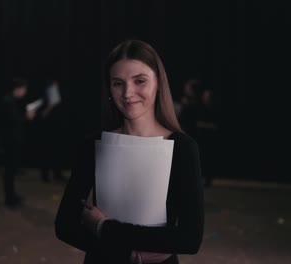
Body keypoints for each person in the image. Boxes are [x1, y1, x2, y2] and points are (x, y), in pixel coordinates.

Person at [55, 40, 204, 263]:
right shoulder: (94, 144)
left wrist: (104, 227)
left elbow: (189, 240)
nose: (127, 93)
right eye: (118, 83)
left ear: (159, 84)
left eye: (140, 81)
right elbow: (65, 225)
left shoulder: (183, 148)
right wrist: (132, 254)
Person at [1, 77, 35, 208]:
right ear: (19, 89)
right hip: (10, 141)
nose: (25, 92)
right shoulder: (8, 101)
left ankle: (12, 195)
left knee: (11, 170)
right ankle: (9, 199)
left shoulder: (11, 100)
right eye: (24, 89)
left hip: (12, 140)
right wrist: (27, 117)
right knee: (9, 171)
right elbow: (13, 121)